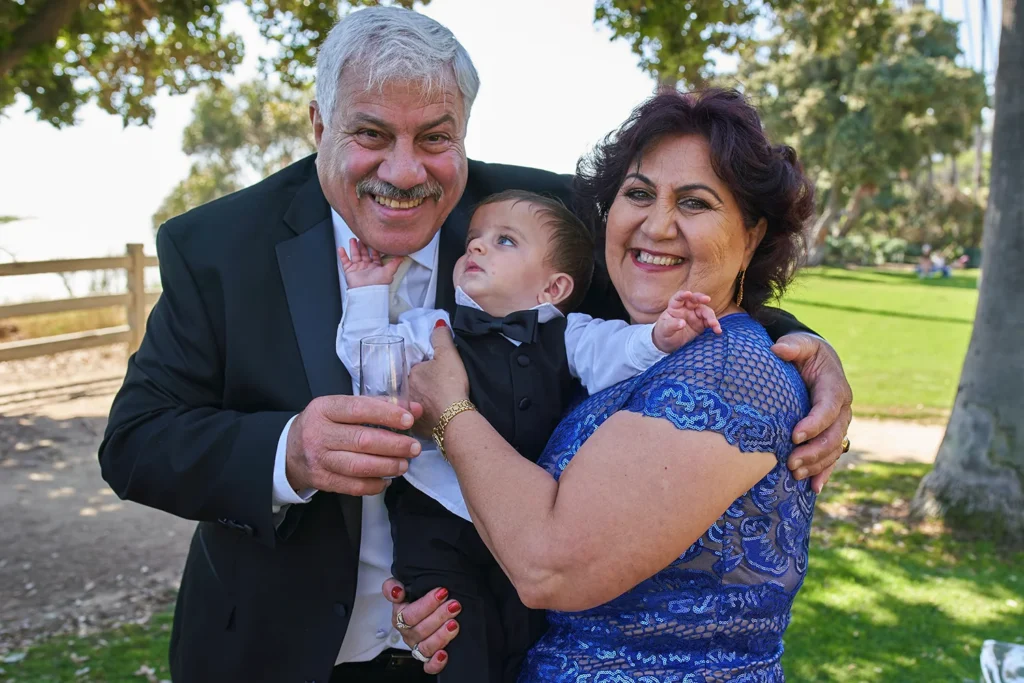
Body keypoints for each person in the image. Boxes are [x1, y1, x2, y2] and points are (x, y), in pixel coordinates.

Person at [97, 7, 852, 682]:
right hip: (273, 651)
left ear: (464, 131)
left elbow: (669, 269)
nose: (404, 171)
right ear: (319, 127)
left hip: (486, 645)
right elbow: (135, 439)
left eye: (435, 138)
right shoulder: (219, 245)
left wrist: (802, 349)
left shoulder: (536, 217)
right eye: (369, 134)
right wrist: (289, 451)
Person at [400, 88, 834, 680]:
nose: (656, 225)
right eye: (637, 194)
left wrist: (449, 409)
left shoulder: (728, 374)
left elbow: (549, 566)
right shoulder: (637, 352)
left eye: (695, 202)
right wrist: (451, 605)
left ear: (752, 235)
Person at [336, 191, 721, 682]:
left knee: (526, 652)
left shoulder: (570, 335)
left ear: (552, 287)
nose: (475, 248)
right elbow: (370, 364)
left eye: (503, 241)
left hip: (526, 528)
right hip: (437, 529)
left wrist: (661, 335)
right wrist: (368, 294)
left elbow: (617, 351)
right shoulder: (429, 329)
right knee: (460, 650)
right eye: (473, 240)